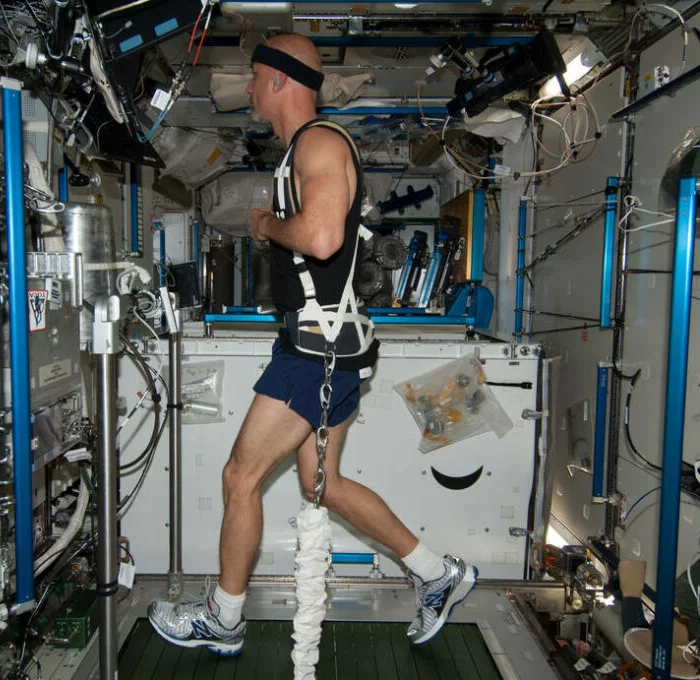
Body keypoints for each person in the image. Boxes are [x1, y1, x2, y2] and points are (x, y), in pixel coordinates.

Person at [147, 33, 477, 656]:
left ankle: (224, 617)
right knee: (322, 484)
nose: (246, 88)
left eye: (252, 77)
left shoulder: (318, 143)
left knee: (239, 476)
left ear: (278, 81)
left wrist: (265, 224)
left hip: (315, 352)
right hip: (331, 346)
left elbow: (323, 238)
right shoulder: (304, 149)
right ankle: (439, 574)